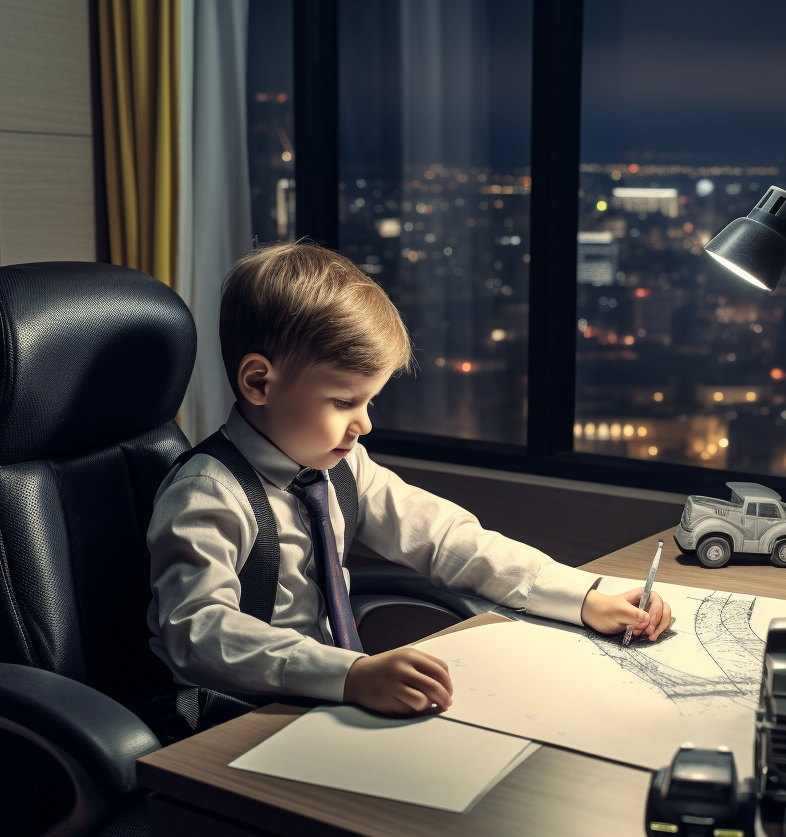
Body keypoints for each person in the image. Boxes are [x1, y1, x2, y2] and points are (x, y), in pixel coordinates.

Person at [147, 242, 671, 717]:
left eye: (369, 401)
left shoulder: (344, 467)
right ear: (260, 382)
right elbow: (197, 632)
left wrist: (584, 596)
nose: (365, 423)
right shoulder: (208, 492)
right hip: (235, 715)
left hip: (325, 702)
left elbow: (448, 539)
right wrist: (348, 675)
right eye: (344, 401)